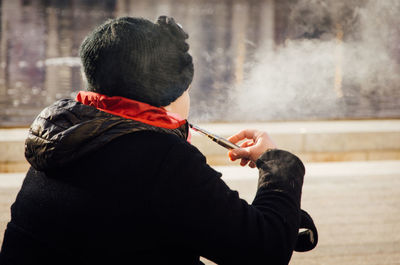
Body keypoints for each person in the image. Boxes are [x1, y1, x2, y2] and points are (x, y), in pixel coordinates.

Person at [0, 16, 317, 265]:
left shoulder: (64, 135)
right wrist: (278, 164)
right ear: (172, 90)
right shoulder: (159, 159)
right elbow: (264, 249)